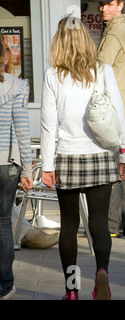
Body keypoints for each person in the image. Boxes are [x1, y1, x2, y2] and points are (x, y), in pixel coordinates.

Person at [40, 16, 125, 300]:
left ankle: (71, 290)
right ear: (85, 39)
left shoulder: (53, 75)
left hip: (67, 156)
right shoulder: (102, 70)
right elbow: (116, 112)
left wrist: (46, 165)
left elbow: (48, 124)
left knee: (68, 225)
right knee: (99, 223)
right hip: (101, 155)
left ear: (60, 41)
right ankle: (101, 273)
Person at [98, 0, 125, 238]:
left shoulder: (114, 32)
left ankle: (112, 225)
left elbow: (98, 67)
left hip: (112, 108)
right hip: (120, 106)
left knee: (113, 165)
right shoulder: (117, 28)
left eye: (109, 4)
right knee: (124, 164)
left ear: (120, 5)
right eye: (102, 5)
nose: (104, 9)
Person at [0, 41, 33, 300]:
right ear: (6, 56)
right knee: (2, 224)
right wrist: (27, 169)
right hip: (7, 165)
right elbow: (22, 130)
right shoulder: (17, 86)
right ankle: (5, 286)